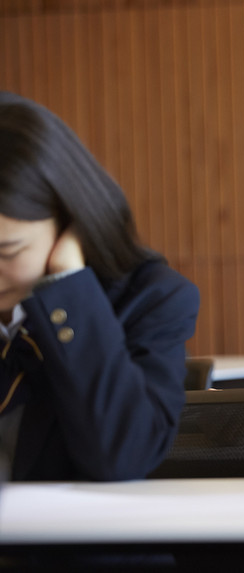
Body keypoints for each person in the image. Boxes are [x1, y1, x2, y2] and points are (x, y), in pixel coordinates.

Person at [0, 92, 199, 481]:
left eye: (8, 251)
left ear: (69, 221)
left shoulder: (153, 298)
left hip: (76, 541)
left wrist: (68, 286)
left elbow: (124, 457)